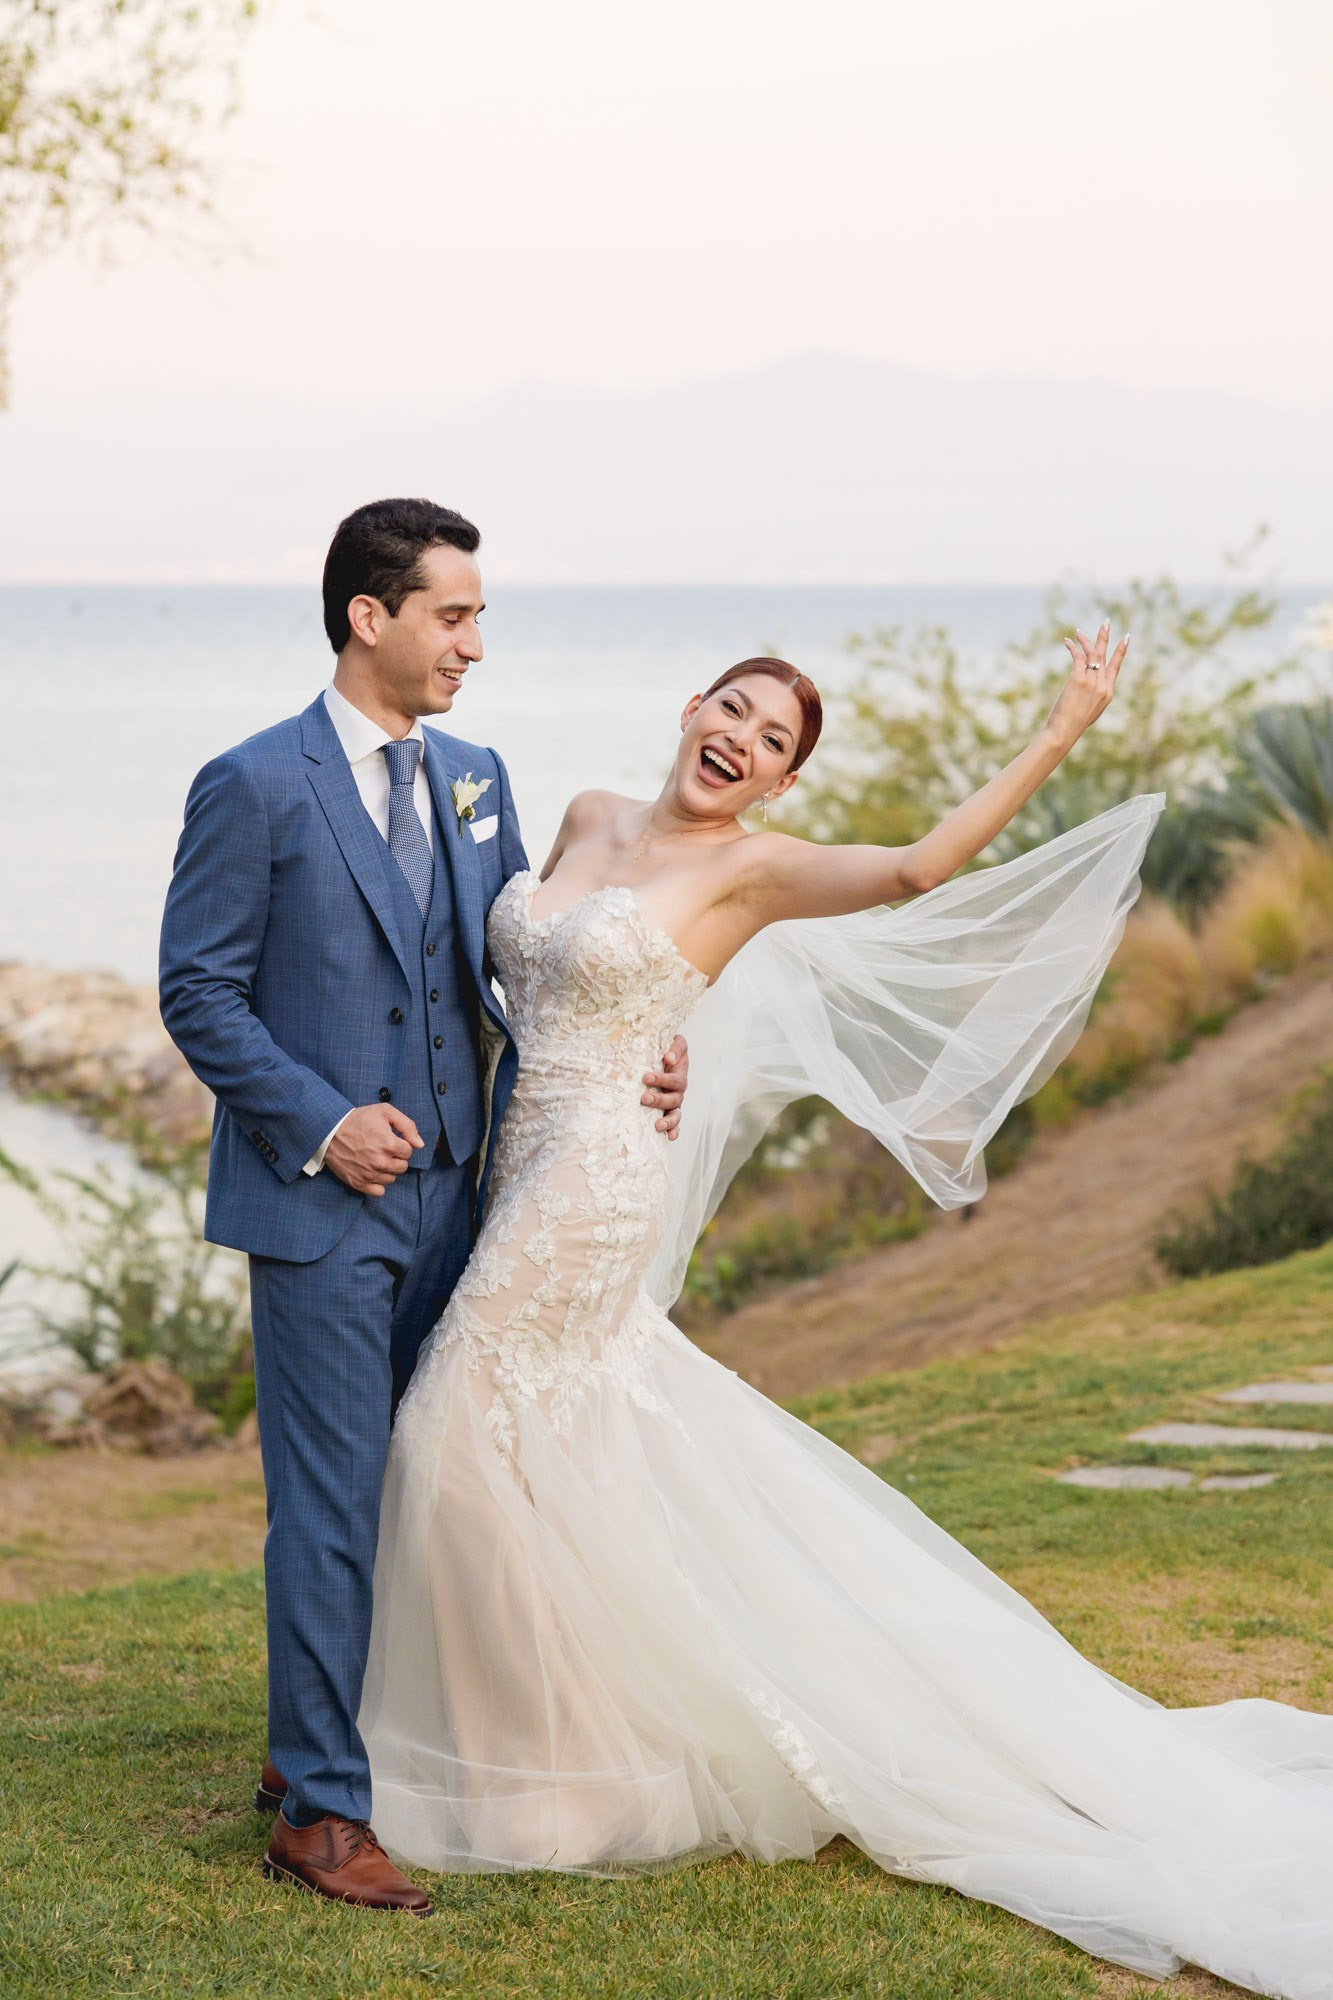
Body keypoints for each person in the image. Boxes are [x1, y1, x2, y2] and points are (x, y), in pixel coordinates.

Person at [357, 642, 1333, 1999]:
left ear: (782, 782)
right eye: (734, 711)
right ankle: (552, 1751)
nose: (743, 742)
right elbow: (514, 979)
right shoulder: (582, 815)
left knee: (451, 1428)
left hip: (597, 1177)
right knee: (532, 1454)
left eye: (774, 742)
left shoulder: (754, 869)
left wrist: (1060, 729)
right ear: (691, 709)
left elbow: (917, 870)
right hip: (517, 1155)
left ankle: (556, 1777)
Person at [158, 499, 689, 1914]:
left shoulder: (476, 775)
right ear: (368, 618)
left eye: (477, 618)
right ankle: (323, 1816)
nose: (473, 644)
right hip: (318, 1208)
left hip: (465, 1201)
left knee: (428, 1481)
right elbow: (197, 990)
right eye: (452, 616)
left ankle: (322, 1742)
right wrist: (322, 1123)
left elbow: (513, 963)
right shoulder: (253, 783)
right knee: (331, 1505)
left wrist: (635, 1045)